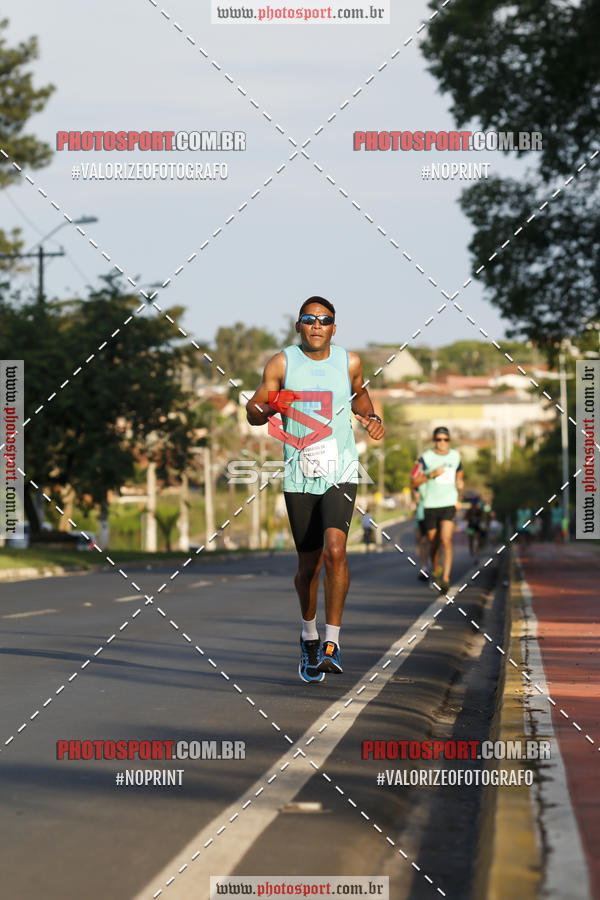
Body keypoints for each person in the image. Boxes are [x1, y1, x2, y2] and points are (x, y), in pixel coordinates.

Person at [246, 296, 385, 682]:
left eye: (325, 320)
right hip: (299, 475)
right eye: (309, 319)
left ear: (334, 328)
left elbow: (359, 394)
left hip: (341, 470)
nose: (317, 325)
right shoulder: (282, 363)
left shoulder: (349, 361)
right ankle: (308, 634)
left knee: (336, 550)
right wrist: (265, 408)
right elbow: (256, 410)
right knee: (309, 564)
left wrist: (371, 417)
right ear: (299, 326)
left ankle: (332, 642)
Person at [411, 426, 464, 593]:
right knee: (434, 543)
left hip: (449, 503)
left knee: (446, 540)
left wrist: (460, 486)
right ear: (434, 440)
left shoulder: (455, 456)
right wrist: (431, 475)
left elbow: (460, 475)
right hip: (430, 506)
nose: (442, 443)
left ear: (449, 440)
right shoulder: (425, 458)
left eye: (445, 439)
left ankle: (446, 579)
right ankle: (435, 568)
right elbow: (414, 482)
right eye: (439, 439)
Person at [412, 485, 429, 580]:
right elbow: (417, 499)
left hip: (434, 514)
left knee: (433, 542)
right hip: (421, 516)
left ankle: (434, 564)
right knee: (423, 542)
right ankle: (424, 567)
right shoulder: (419, 483)